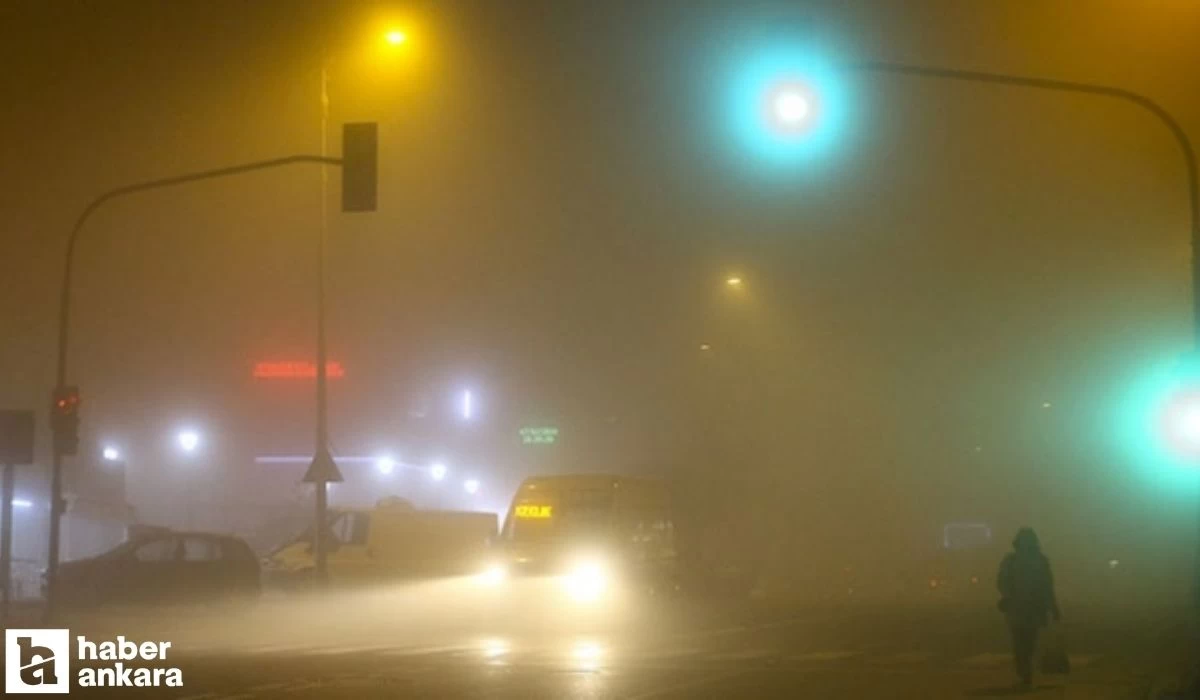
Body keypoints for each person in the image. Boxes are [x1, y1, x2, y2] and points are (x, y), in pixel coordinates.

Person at [996, 527, 1061, 689]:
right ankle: (1026, 671)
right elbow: (1048, 586)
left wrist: (1008, 596)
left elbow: (1001, 583)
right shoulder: (1040, 561)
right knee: (1028, 642)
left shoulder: (1010, 561)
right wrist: (1053, 607)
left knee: (1020, 643)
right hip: (1032, 609)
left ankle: (1024, 671)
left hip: (1019, 609)